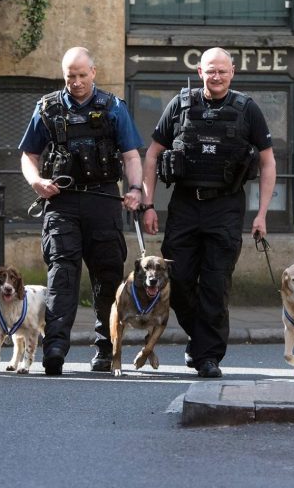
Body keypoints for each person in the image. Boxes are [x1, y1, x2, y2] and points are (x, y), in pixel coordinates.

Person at [142, 47, 277, 378]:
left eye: (223, 71)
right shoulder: (180, 105)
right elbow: (152, 154)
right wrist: (148, 204)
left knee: (216, 286)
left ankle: (208, 357)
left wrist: (262, 214)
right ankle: (201, 339)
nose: (217, 76)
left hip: (225, 207)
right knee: (176, 280)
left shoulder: (247, 109)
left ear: (232, 72)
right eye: (210, 71)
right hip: (185, 205)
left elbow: (267, 161)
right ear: (200, 72)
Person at [19, 47, 144, 376]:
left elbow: (131, 155)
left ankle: (106, 347)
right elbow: (29, 154)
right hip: (61, 201)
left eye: (81, 75)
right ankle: (55, 349)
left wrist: (135, 189)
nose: (76, 82)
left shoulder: (113, 107)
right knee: (61, 275)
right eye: (69, 76)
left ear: (94, 72)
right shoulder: (47, 107)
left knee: (107, 277)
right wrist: (36, 182)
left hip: (103, 200)